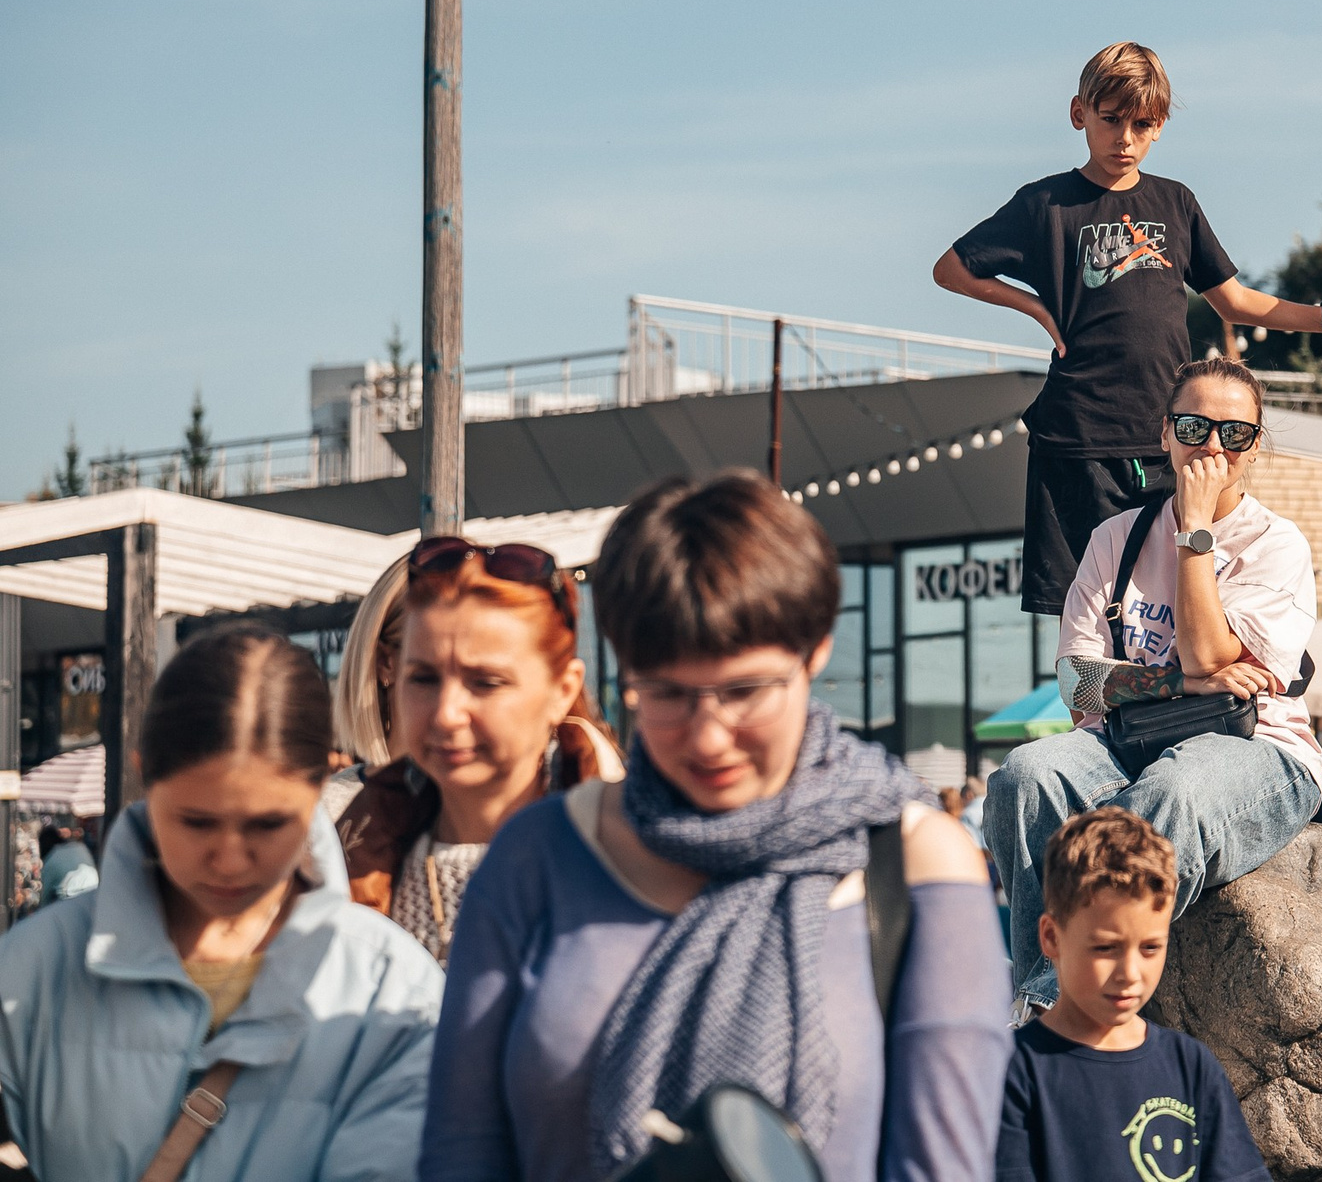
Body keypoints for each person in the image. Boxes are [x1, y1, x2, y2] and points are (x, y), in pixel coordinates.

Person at [421, 471, 1010, 1181]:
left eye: (744, 691)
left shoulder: (918, 866)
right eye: (665, 693)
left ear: (815, 649)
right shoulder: (538, 855)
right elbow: (461, 1153)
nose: (707, 735)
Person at [934, 42, 1322, 643]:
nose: (1125, 137)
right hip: (1077, 439)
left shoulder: (1175, 203)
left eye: (1143, 124)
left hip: (1172, 440)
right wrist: (1036, 308)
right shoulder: (1044, 203)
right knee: (1089, 615)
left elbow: (1237, 301)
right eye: (1111, 120)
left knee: (1178, 594)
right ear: (1079, 113)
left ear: (1160, 127)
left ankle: (1181, 718)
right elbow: (951, 268)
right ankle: (1092, 728)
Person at [0, 624, 443, 1181]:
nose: (230, 860)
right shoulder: (31, 969)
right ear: (144, 778)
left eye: (267, 823)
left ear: (320, 791)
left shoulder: (396, 991)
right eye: (197, 822)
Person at [986, 358, 1322, 1014]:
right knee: (1026, 773)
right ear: (1165, 432)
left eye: (1235, 433)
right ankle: (1037, 989)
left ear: (1255, 447)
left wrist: (1194, 529)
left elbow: (1210, 651)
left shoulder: (1275, 544)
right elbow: (1077, 685)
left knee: (1175, 785)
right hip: (1122, 740)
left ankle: (1058, 1003)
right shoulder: (1116, 537)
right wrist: (1182, 679)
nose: (1213, 447)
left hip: (1260, 748)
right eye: (1196, 426)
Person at [337, 536, 623, 962]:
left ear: (563, 691)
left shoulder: (633, 860)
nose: (447, 713)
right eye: (424, 678)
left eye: (486, 682)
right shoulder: (343, 850)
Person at [997, 808, 1269, 1182]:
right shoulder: (1014, 1073)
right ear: (1050, 938)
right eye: (1105, 948)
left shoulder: (1191, 1066)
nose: (1130, 974)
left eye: (1150, 948)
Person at [34, 822, 95, 907]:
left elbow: (45, 899)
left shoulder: (51, 860)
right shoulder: (80, 847)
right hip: (94, 895)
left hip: (72, 901)